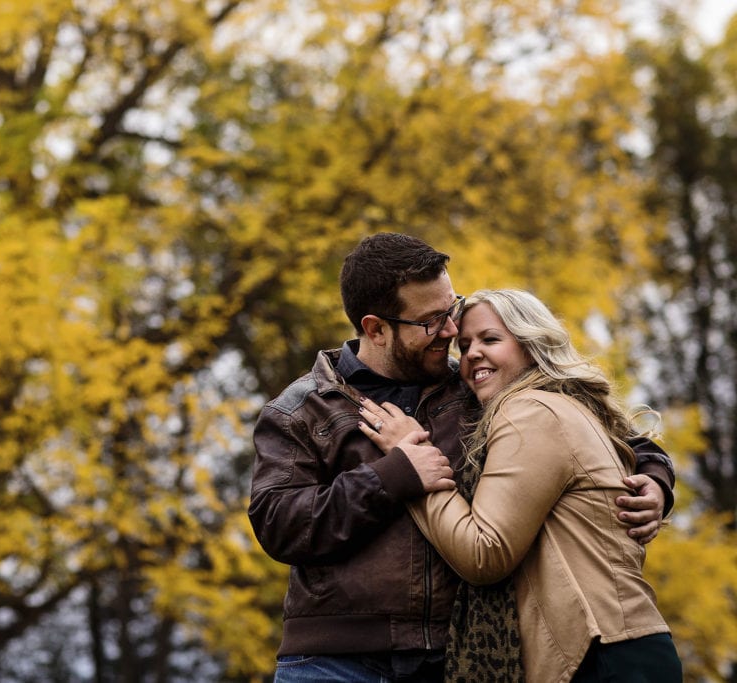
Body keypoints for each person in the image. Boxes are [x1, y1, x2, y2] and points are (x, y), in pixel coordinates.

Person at [248, 233, 676, 682]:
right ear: (375, 329)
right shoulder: (302, 407)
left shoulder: (480, 386)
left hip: (458, 659)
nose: (452, 332)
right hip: (335, 662)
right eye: (432, 321)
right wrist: (389, 478)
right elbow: (279, 524)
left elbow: (602, 428)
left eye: (451, 309)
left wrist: (655, 476)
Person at [359, 288, 682, 682]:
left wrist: (414, 465)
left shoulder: (530, 410)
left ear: (531, 345)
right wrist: (659, 477)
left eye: (491, 339)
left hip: (597, 650)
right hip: (618, 645)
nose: (472, 352)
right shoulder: (559, 404)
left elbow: (484, 553)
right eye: (464, 345)